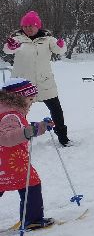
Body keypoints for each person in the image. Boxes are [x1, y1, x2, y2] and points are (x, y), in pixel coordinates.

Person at [5, 11, 70, 147]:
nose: (28, 28)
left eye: (31, 25)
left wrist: (60, 45)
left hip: (44, 82)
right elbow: (8, 49)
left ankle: (63, 137)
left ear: (38, 26)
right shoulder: (17, 38)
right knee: (18, 113)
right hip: (23, 84)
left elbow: (59, 50)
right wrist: (11, 47)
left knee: (56, 110)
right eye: (25, 25)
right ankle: (17, 139)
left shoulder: (48, 39)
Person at [0, 78, 55, 231]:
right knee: (31, 184)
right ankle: (33, 220)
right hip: (11, 162)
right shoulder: (10, 114)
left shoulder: (5, 111)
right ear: (18, 97)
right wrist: (30, 131)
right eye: (30, 99)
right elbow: (6, 138)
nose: (31, 103)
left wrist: (40, 127)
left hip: (4, 162)